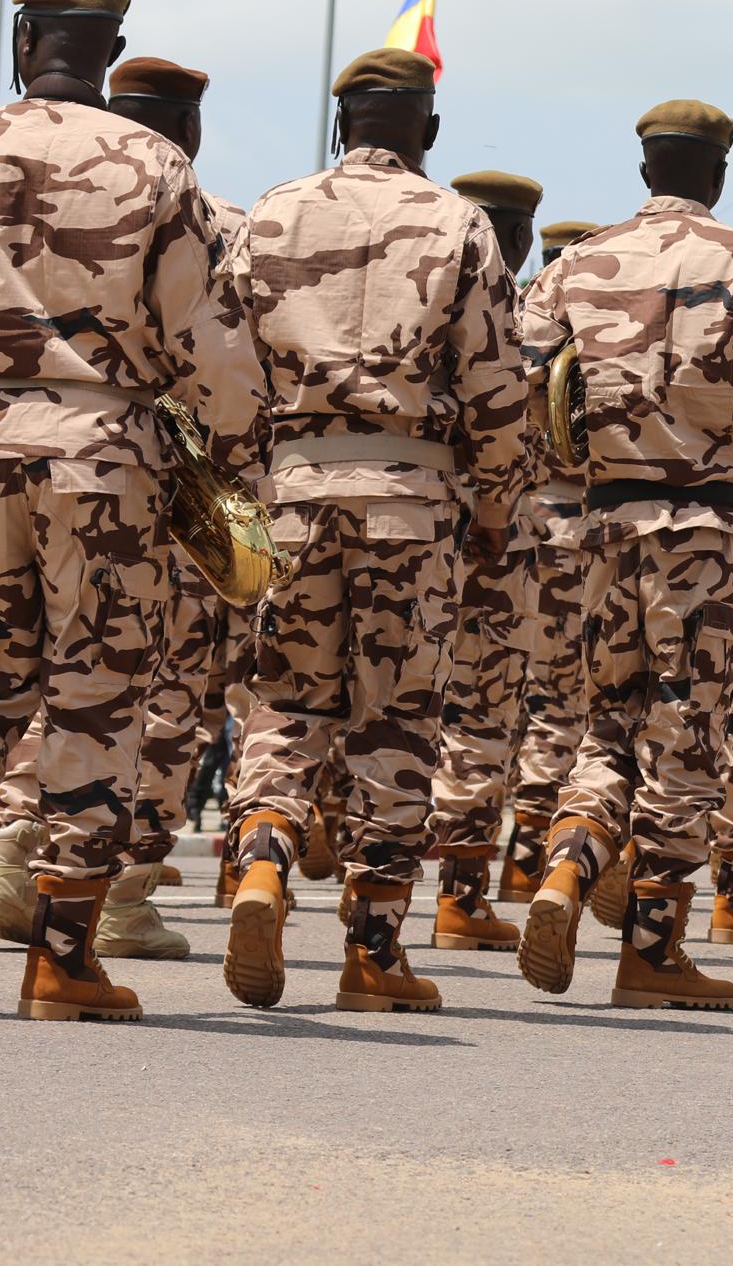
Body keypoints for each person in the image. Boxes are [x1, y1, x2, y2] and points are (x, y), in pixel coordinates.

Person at [0, 0, 260, 1022]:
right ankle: (64, 954)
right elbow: (209, 349)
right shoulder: (153, 160)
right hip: (105, 452)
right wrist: (236, 460)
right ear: (113, 50)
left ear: (23, 38)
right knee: (96, 691)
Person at [513, 98, 733, 1011]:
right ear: (719, 176)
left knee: (608, 718)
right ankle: (653, 951)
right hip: (700, 529)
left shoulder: (576, 265)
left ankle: (570, 858)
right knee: (685, 727)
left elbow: (515, 399)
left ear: (644, 174)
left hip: (600, 527)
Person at [220, 53, 532, 1014]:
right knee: (395, 721)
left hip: (294, 491)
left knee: (284, 700)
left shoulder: (272, 214)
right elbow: (495, 387)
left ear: (340, 122)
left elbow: (219, 362)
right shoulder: (458, 223)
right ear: (426, 132)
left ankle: (264, 865)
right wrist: (493, 513)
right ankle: (374, 951)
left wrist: (240, 494)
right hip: (413, 499)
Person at [99, 54, 247, 959]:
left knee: (36, 668)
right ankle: (119, 893)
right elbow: (227, 364)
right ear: (189, 132)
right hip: (168, 474)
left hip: (2, 459)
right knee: (164, 690)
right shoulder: (210, 217)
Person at [429, 168, 546, 953]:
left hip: (400, 514)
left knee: (360, 706)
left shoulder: (420, 282)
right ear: (524, 239)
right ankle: (458, 900)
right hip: (494, 535)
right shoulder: (532, 315)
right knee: (480, 714)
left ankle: (264, 860)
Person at [500, 219, 602, 901]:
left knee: (496, 695)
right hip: (577, 527)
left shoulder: (512, 321)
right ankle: (529, 849)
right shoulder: (602, 331)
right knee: (563, 700)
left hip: (511, 524)